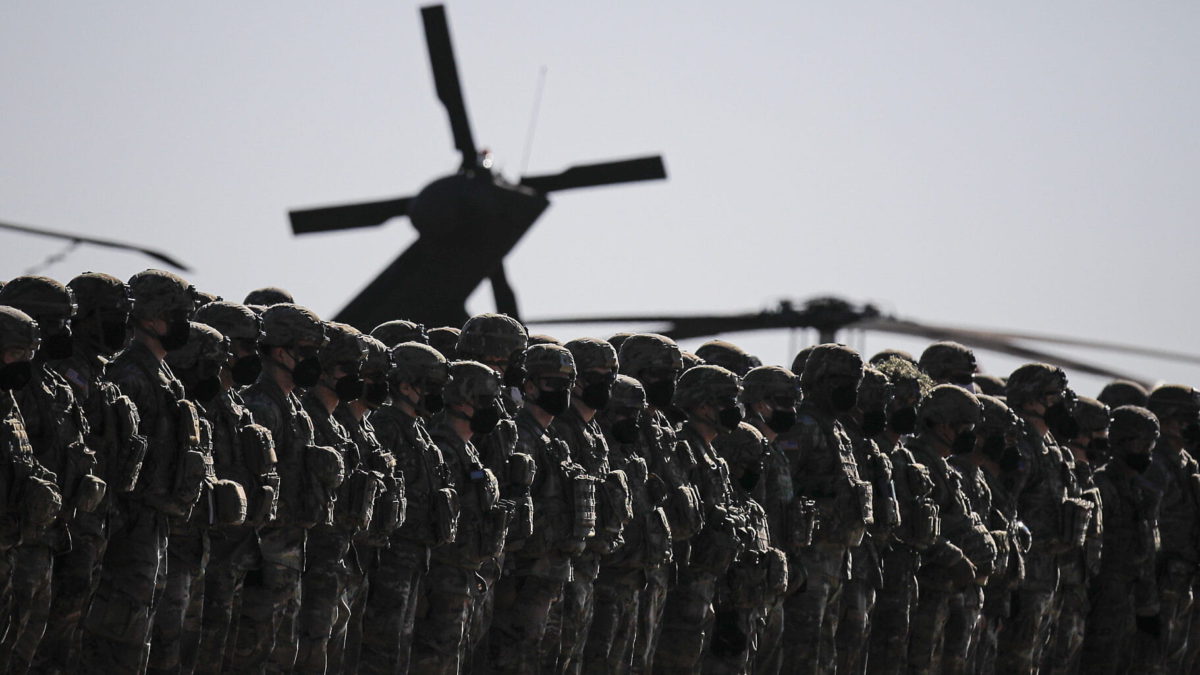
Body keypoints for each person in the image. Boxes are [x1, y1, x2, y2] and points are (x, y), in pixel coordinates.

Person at [82, 269, 203, 673]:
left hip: (155, 525)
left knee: (141, 638)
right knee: (118, 636)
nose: (185, 325)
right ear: (151, 319)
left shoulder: (164, 375)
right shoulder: (129, 374)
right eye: (178, 315)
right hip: (127, 528)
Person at [35, 273, 142, 673]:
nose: (123, 325)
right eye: (115, 315)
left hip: (94, 525)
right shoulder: (61, 371)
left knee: (75, 629)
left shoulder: (102, 374)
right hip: (58, 525)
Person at [231, 303, 333, 673]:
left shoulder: (295, 407)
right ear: (279, 351)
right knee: (252, 657)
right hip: (261, 558)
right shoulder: (261, 405)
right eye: (306, 351)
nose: (314, 361)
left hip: (288, 558)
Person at [191, 301, 280, 674]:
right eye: (245, 345)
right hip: (200, 554)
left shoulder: (237, 406)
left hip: (235, 556)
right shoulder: (198, 402)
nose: (252, 356)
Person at [358, 341, 455, 674]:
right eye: (430, 387)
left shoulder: (420, 432)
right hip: (389, 559)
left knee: (400, 646)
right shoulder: (386, 426)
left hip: (415, 557)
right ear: (405, 385)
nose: (436, 395)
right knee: (379, 646)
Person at [490, 343, 584, 674]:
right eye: (552, 383)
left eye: (567, 384)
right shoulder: (516, 436)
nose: (562, 392)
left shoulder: (553, 441)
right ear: (528, 386)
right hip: (522, 576)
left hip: (550, 574)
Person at [778, 344, 872, 674]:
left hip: (837, 560)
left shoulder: (840, 430)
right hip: (806, 560)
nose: (851, 389)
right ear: (820, 379)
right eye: (842, 380)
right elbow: (779, 490)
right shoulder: (802, 426)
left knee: (825, 651)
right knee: (802, 651)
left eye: (855, 382)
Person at [411, 360, 509, 673]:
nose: (490, 409)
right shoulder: (442, 450)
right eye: (483, 401)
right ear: (458, 401)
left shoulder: (468, 451)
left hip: (465, 579)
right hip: (441, 581)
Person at [658, 365, 749, 673]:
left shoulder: (714, 457)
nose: (734, 410)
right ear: (701, 405)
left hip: (709, 586)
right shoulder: (680, 449)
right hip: (683, 586)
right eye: (725, 402)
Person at [296, 322, 374, 674]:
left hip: (335, 563)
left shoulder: (338, 427)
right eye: (347, 369)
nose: (356, 379)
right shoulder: (304, 417)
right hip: (302, 563)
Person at [905, 385, 996, 674]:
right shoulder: (919, 462)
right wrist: (954, 558)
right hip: (928, 588)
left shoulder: (945, 467)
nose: (971, 435)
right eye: (965, 427)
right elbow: (916, 522)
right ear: (943, 426)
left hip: (950, 592)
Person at [553, 337, 627, 674]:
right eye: (595, 377)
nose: (604, 386)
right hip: (561, 567)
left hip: (589, 566)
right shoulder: (560, 426)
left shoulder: (596, 429)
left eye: (609, 378)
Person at [997, 363, 1077, 671]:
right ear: (1031, 400)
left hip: (1046, 578)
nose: (1062, 403)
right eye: (1053, 396)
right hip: (1023, 581)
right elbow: (1004, 510)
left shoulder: (1051, 449)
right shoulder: (1021, 446)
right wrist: (1010, 587)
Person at [0, 306, 63, 671]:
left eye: (29, 355)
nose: (23, 363)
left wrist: (44, 486)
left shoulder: (9, 404)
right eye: (15, 353)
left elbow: (24, 461)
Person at [1081, 406, 1163, 673]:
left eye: (1151, 444)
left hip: (1128, 602)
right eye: (1141, 444)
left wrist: (1147, 608)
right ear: (1121, 443)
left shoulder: (1141, 490)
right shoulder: (1101, 485)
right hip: (1102, 600)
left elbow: (1146, 551)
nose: (1147, 451)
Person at [740, 365, 800, 675]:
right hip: (746, 581)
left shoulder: (775, 451)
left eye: (793, 402)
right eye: (781, 401)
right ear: (758, 402)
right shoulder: (741, 444)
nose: (789, 410)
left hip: (772, 580)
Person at [1142, 385, 1200, 673]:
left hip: (1182, 582)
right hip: (1157, 579)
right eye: (1187, 417)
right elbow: (1143, 525)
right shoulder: (1154, 462)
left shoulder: (1187, 464)